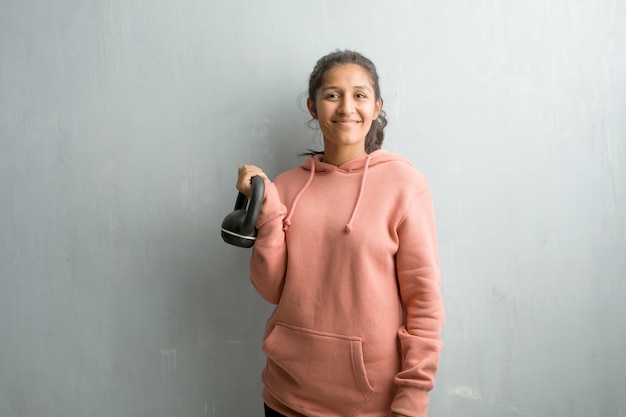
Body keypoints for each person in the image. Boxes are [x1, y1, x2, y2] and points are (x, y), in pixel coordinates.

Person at [235, 50, 444, 417]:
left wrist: (414, 394)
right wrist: (267, 209)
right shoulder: (287, 184)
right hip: (284, 394)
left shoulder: (404, 185)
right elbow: (271, 289)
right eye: (332, 95)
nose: (347, 106)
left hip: (370, 404)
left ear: (376, 106)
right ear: (313, 107)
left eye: (360, 95)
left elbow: (423, 301)